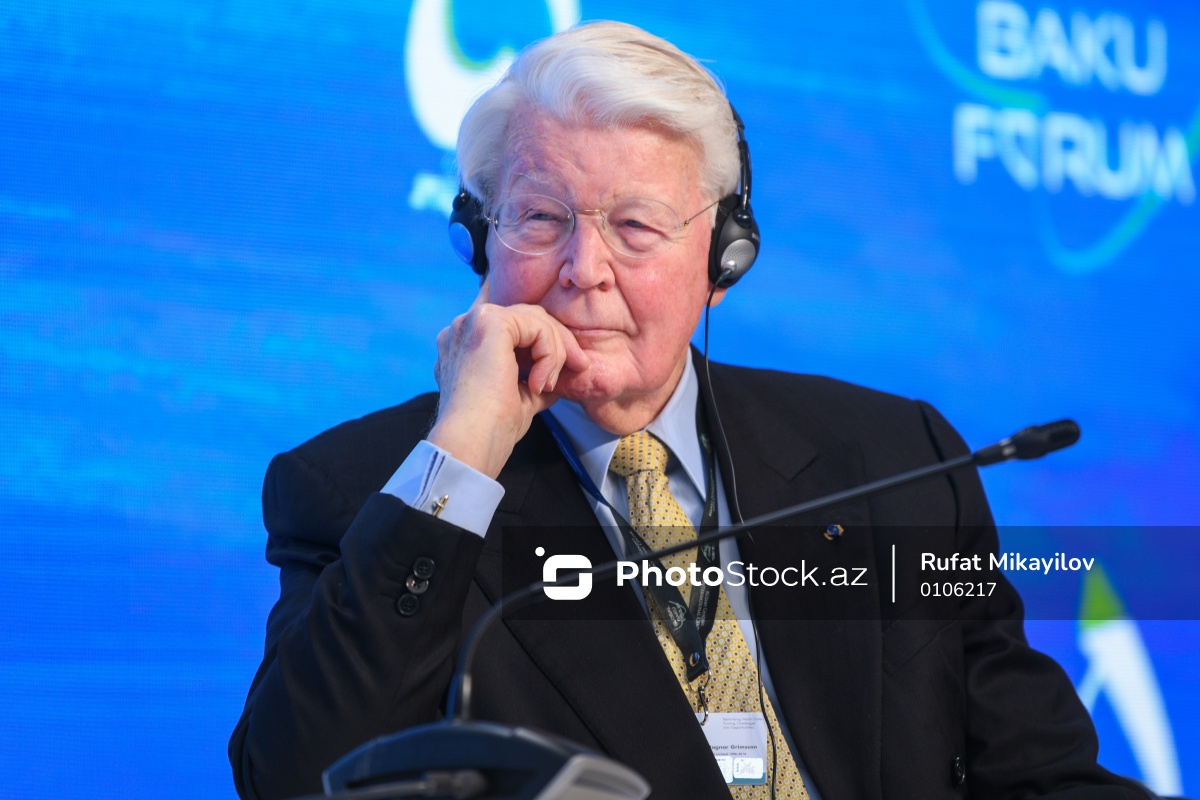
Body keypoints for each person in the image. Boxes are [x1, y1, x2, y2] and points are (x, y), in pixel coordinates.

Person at [230, 21, 1152, 800]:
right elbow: (295, 778)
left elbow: (1041, 777)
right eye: (541, 218)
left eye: (635, 226)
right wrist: (463, 455)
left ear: (723, 260)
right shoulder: (367, 492)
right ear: (481, 242)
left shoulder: (896, 463)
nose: (584, 270)